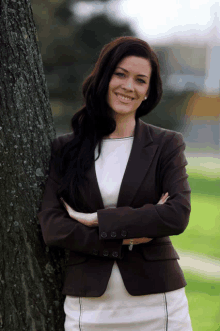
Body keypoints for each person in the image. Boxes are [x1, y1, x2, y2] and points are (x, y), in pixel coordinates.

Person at [37, 36, 193, 330]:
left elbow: (176, 214)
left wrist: (99, 220)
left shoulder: (166, 144)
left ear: (148, 91)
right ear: (104, 77)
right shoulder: (66, 149)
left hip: (159, 304)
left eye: (140, 80)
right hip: (90, 307)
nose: (128, 87)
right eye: (120, 74)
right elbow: (53, 227)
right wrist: (127, 236)